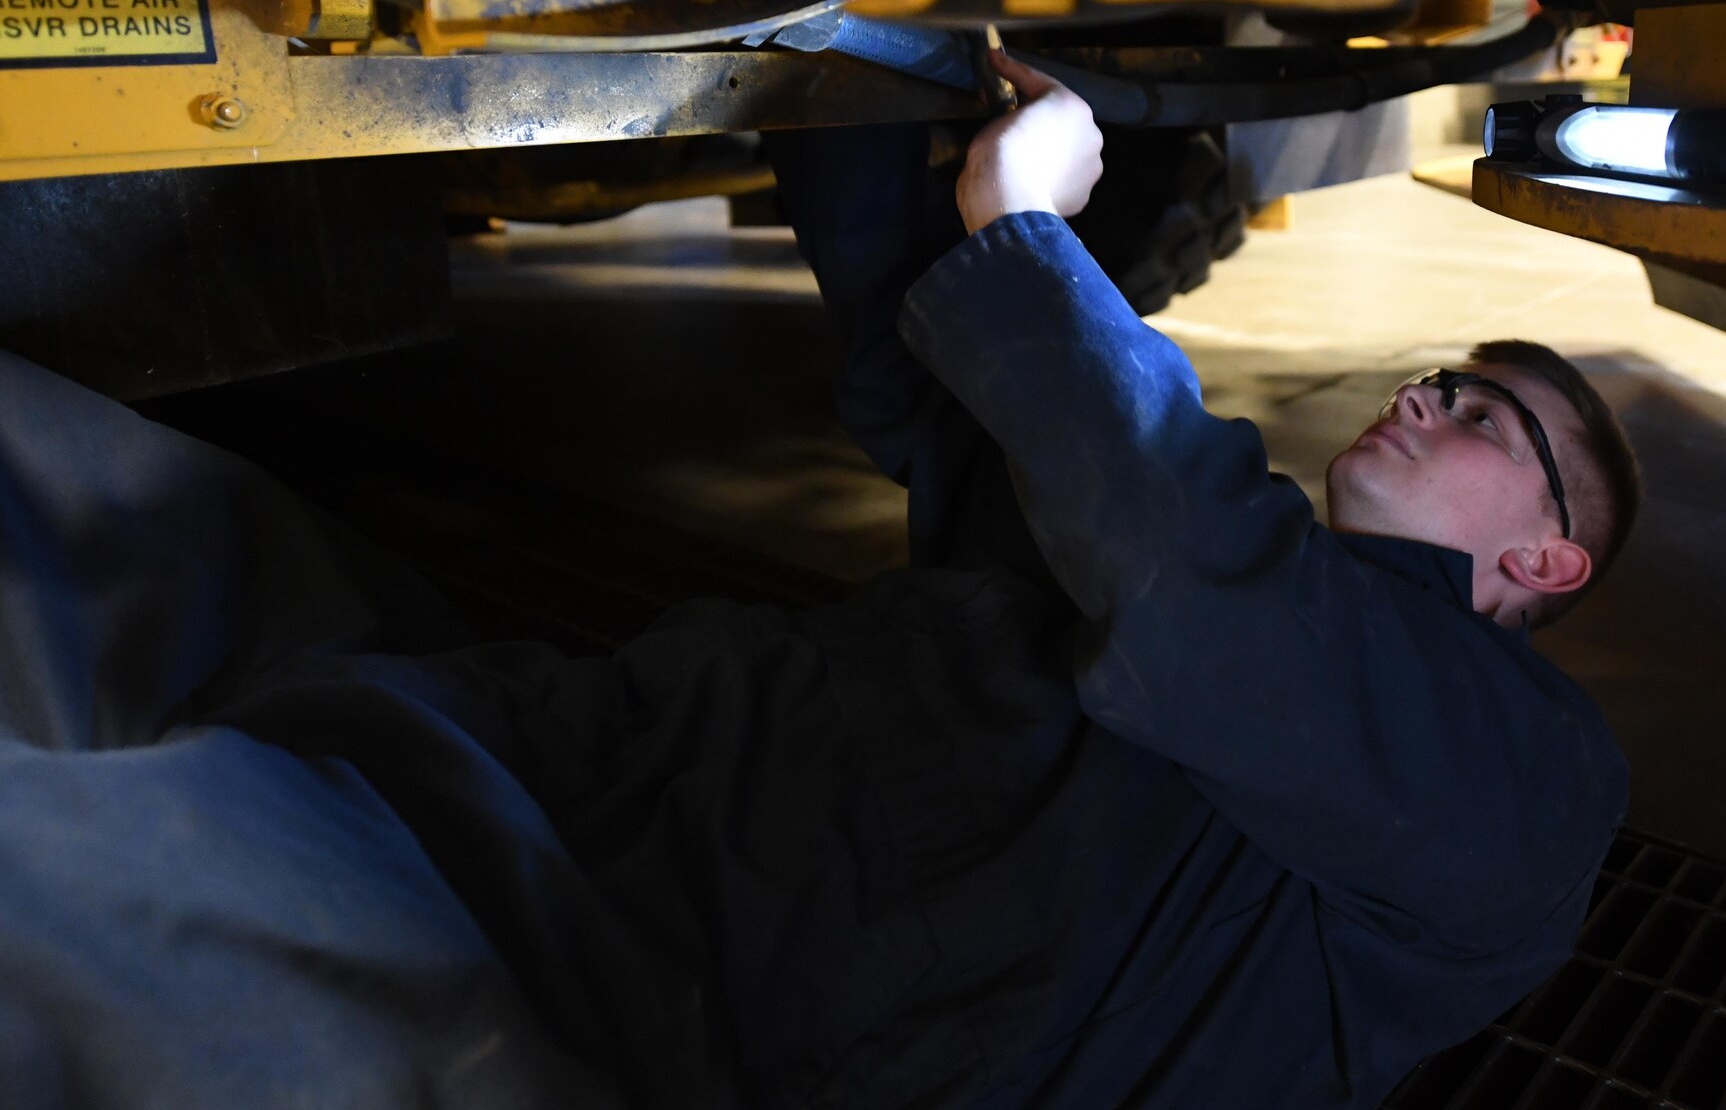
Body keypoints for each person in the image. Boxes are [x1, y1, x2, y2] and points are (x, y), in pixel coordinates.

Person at [0, 54, 1638, 1109]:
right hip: (510, 742)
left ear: (1544, 559)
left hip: (576, 1002)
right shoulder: (1168, 554)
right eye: (1443, 371)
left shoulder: (1522, 796)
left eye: (1488, 411)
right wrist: (891, 64)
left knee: (56, 883)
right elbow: (946, 380)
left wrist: (1037, 251)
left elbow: (1214, 591)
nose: (1427, 390)